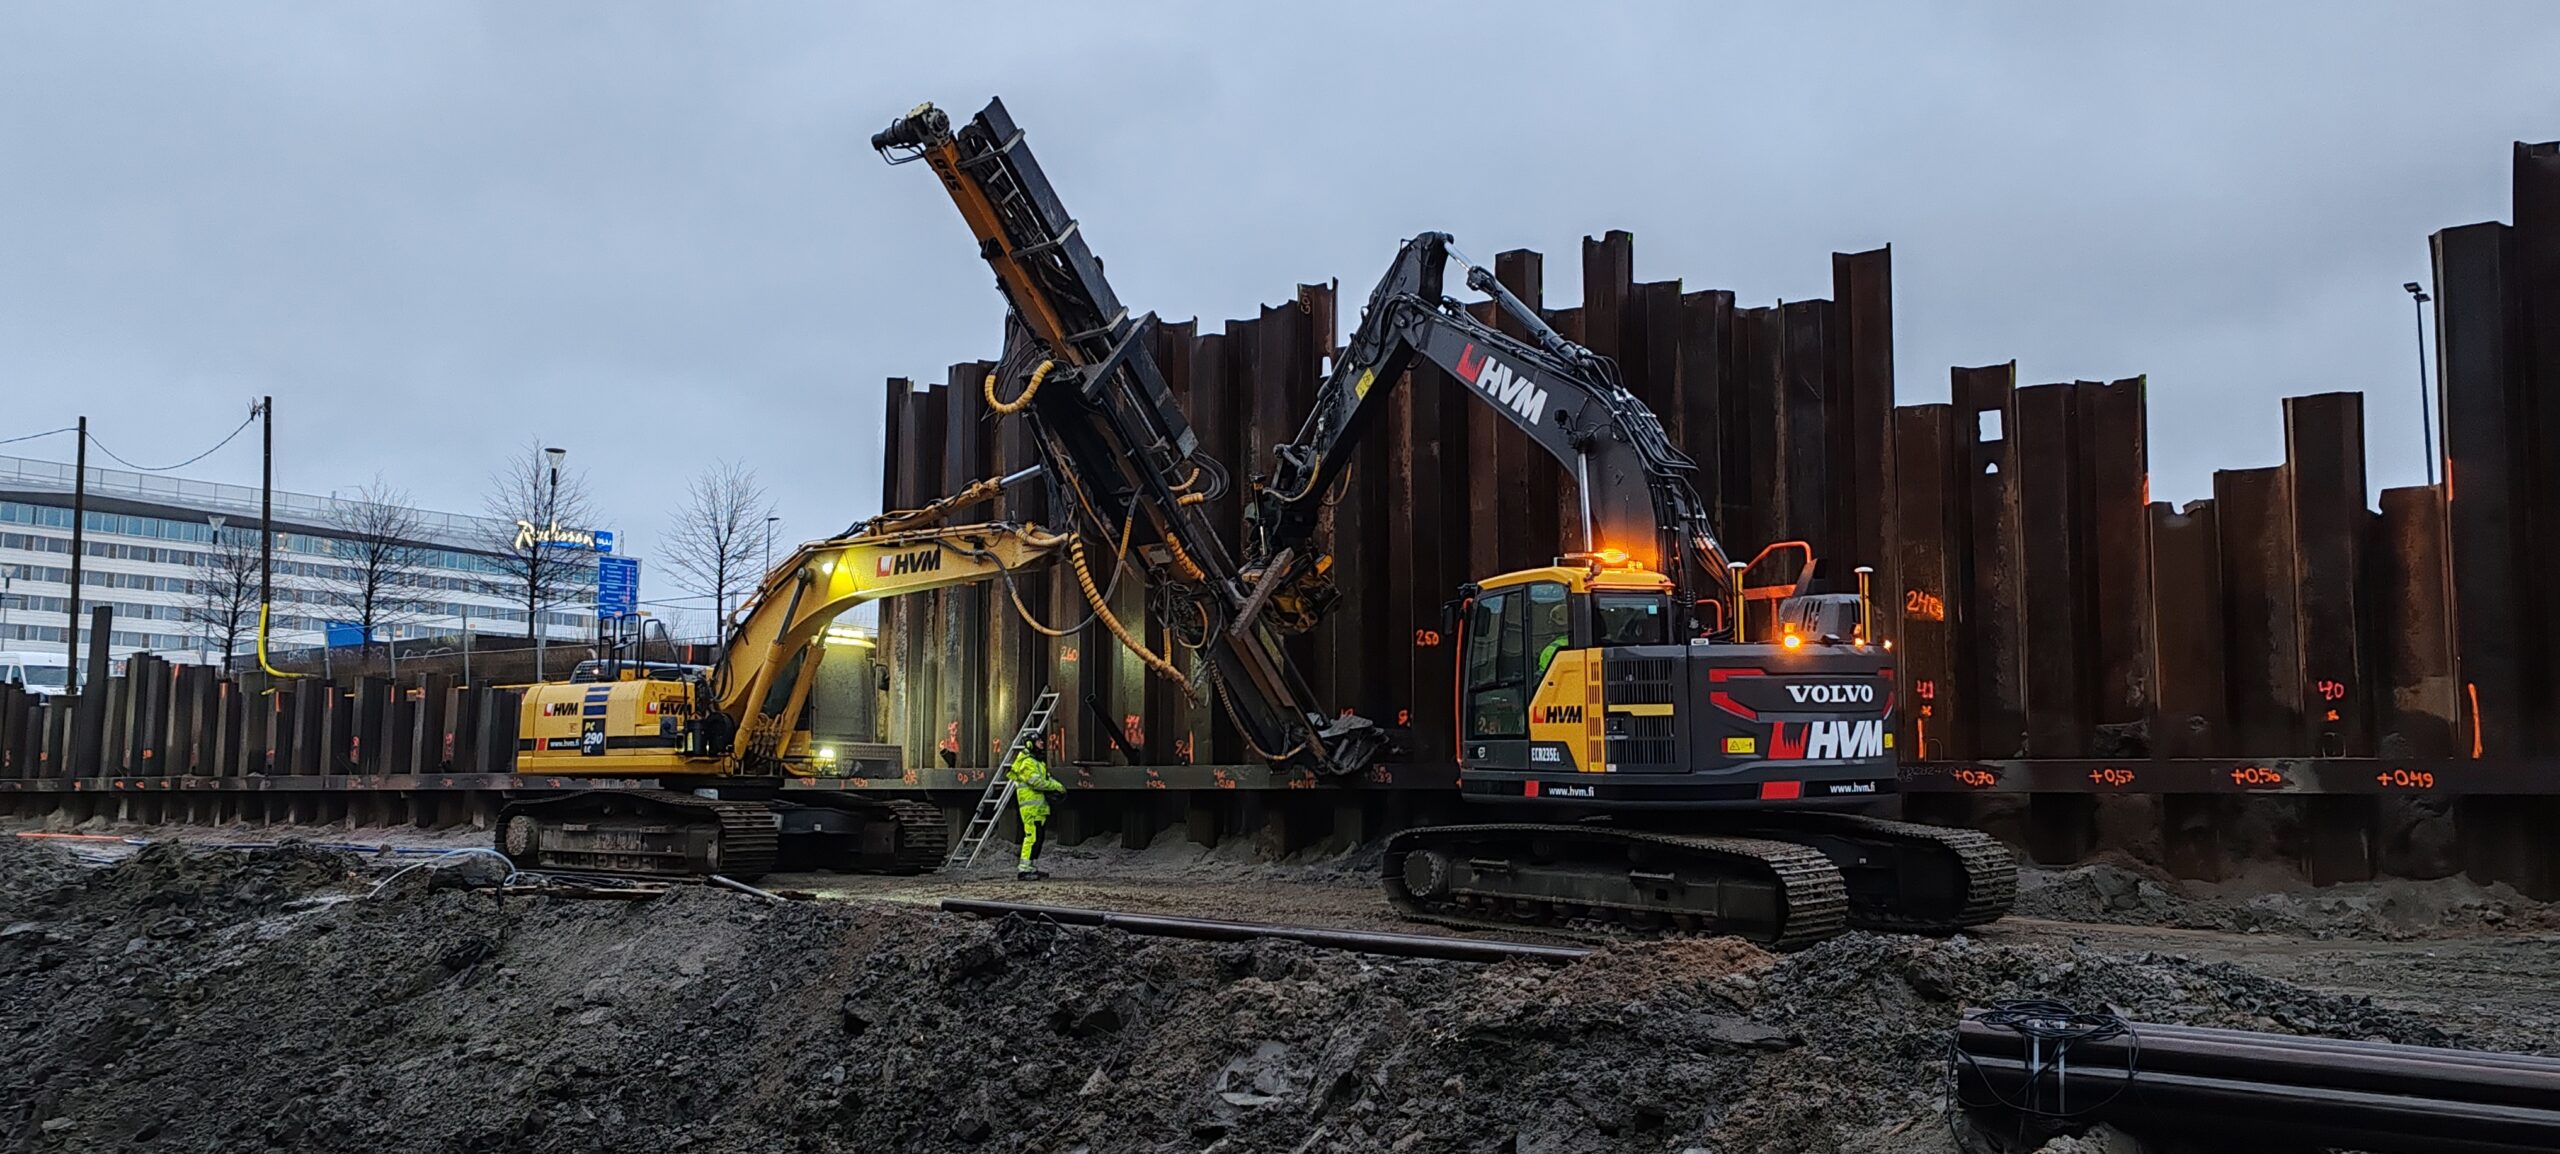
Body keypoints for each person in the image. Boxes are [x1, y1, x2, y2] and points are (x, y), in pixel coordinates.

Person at [1007, 731, 1066, 880]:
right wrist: (1056, 787)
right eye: (1039, 741)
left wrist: (1059, 786)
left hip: (1038, 808)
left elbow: (1047, 779)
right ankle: (1024, 870)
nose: (1042, 743)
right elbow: (1037, 782)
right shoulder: (1027, 763)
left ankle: (1031, 867)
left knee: (1038, 838)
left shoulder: (1038, 762)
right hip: (1031, 809)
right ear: (1030, 744)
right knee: (1032, 837)